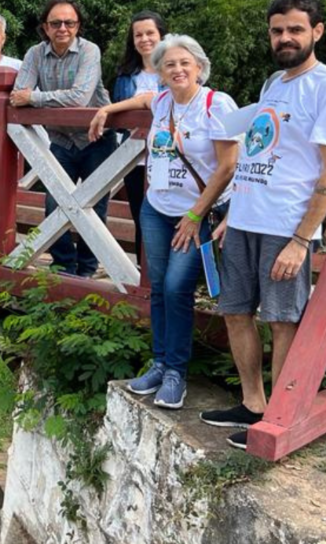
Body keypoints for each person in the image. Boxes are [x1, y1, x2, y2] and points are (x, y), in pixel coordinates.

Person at [200, 0, 326, 450]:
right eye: (277, 30)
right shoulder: (274, 83)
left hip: (287, 225)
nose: (285, 38)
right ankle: (253, 403)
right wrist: (234, 212)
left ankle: (279, 418)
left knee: (282, 319)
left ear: (317, 31)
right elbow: (258, 149)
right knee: (234, 311)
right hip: (248, 216)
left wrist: (301, 239)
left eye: (294, 29)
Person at [89, 34, 238, 408]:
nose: (177, 69)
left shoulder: (215, 104)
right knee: (157, 287)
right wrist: (106, 110)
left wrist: (194, 215)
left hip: (195, 212)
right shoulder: (162, 103)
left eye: (184, 62)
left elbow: (228, 165)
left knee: (176, 288)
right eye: (169, 64)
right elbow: (140, 100)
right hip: (156, 209)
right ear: (160, 72)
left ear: (199, 67)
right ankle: (158, 363)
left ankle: (175, 373)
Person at [10, 0, 115, 277]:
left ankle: (88, 268)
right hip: (60, 140)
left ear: (78, 25)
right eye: (55, 23)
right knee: (54, 205)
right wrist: (31, 97)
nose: (63, 28)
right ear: (45, 27)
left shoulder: (89, 50)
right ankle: (63, 266)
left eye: (70, 22)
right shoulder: (34, 53)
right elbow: (17, 95)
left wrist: (35, 97)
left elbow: (80, 97)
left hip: (96, 139)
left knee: (95, 209)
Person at [112, 11, 169, 267]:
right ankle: (142, 272)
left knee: (165, 214)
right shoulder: (126, 75)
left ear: (161, 36)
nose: (144, 39)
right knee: (140, 215)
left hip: (166, 157)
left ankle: (165, 269)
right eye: (138, 34)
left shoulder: (175, 70)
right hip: (134, 159)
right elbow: (119, 111)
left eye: (150, 33)